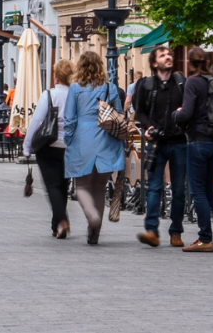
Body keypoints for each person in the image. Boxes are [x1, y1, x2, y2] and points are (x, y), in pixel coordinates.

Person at [63, 51, 124, 245]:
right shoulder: (110, 87)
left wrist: (68, 139)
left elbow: (70, 118)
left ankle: (92, 216)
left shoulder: (74, 89)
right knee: (100, 186)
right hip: (106, 139)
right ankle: (95, 231)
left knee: (81, 185)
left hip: (83, 138)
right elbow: (119, 115)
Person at [173, 46, 213, 252]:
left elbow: (186, 113)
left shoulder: (193, 82)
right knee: (209, 190)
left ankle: (205, 238)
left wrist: (176, 114)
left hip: (198, 140)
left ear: (190, 63)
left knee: (198, 191)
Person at [133, 45, 187, 248]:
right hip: (156, 143)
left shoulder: (182, 82)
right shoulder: (145, 85)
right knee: (154, 187)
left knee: (179, 189)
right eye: (163, 55)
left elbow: (192, 108)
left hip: (179, 141)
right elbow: (139, 112)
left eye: (169, 54)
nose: (168, 57)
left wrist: (185, 112)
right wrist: (148, 127)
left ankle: (176, 231)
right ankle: (151, 231)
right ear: (155, 63)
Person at [24, 59, 74, 239]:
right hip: (69, 147)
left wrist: (27, 145)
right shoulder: (75, 95)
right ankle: (57, 226)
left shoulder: (49, 95)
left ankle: (61, 221)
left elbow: (36, 121)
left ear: (56, 76)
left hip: (48, 145)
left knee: (52, 186)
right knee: (63, 185)